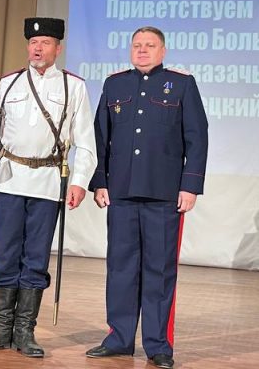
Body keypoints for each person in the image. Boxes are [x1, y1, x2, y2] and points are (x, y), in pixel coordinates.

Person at [0, 17, 97, 357]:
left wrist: (79, 182)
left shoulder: (73, 87)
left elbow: (85, 141)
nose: (37, 48)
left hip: (49, 184)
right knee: (5, 254)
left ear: (58, 48)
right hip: (10, 180)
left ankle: (24, 331)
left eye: (45, 43)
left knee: (35, 257)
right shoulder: (9, 83)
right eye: (33, 42)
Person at [86, 26, 209, 369]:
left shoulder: (181, 83)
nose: (142, 50)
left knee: (159, 270)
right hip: (121, 192)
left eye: (149, 45)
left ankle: (158, 345)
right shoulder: (115, 84)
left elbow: (197, 137)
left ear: (163, 51)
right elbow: (100, 137)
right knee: (121, 268)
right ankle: (119, 338)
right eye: (137, 45)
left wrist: (190, 186)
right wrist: (100, 181)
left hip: (163, 194)